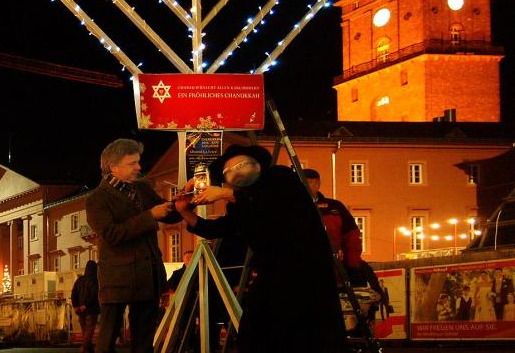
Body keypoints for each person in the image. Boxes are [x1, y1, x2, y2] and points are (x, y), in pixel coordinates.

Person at [175, 144, 347, 353]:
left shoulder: (280, 178)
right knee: (256, 331)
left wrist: (225, 193)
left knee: (305, 335)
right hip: (272, 274)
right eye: (228, 171)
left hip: (305, 273)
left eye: (240, 166)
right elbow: (219, 228)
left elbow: (271, 205)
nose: (235, 172)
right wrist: (185, 212)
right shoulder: (240, 201)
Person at [86, 138, 182, 353]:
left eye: (138, 162)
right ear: (113, 167)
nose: (139, 167)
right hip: (117, 280)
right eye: (132, 163)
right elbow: (111, 234)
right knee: (108, 337)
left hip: (148, 276)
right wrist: (149, 216)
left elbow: (169, 215)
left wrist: (185, 199)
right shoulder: (97, 199)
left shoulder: (142, 189)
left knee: (144, 340)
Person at [302, 168, 363, 281]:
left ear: (317, 184)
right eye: (301, 182)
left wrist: (352, 265)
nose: (304, 186)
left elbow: (352, 237)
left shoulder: (334, 207)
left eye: (308, 182)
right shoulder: (289, 208)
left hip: (333, 271)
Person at [71, 260, 101, 353]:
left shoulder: (79, 280)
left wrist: (76, 306)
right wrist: (86, 305)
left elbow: (73, 294)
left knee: (84, 331)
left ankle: (88, 348)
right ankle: (84, 349)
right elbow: (94, 294)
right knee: (89, 331)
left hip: (80, 310)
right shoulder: (95, 280)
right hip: (91, 310)